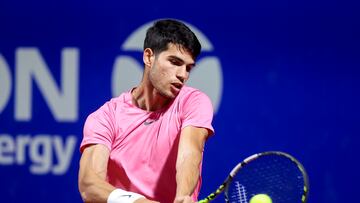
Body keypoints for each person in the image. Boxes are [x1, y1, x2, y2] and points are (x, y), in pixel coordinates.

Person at [78, 19, 214, 203]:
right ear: (149, 57)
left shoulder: (194, 102)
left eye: (188, 68)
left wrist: (183, 195)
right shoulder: (106, 117)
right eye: (175, 62)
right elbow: (89, 185)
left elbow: (190, 153)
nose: (183, 75)